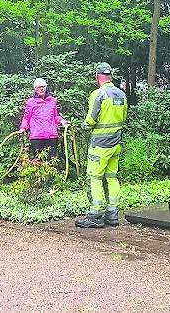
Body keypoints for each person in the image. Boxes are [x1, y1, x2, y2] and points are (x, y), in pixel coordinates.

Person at [75, 62, 128, 229]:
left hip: (100, 145)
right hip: (116, 144)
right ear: (110, 76)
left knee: (95, 178)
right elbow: (124, 117)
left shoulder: (98, 94)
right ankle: (112, 214)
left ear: (97, 76)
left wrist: (83, 126)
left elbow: (91, 119)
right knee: (112, 177)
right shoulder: (121, 95)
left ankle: (95, 215)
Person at [18, 78, 68, 159]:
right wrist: (23, 128)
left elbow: (55, 116)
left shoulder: (52, 101)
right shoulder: (31, 102)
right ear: (35, 89)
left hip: (52, 136)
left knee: (52, 161)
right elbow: (26, 117)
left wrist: (62, 121)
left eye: (43, 86)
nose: (41, 89)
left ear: (46, 87)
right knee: (38, 161)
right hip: (37, 137)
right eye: (38, 87)